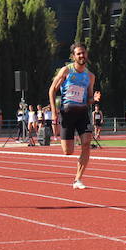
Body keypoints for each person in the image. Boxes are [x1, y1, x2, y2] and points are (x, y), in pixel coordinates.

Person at [49, 42, 100, 190]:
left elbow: (88, 99)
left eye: (83, 53)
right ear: (73, 56)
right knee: (68, 151)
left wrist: (94, 99)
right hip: (67, 113)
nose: (81, 55)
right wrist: (54, 112)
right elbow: (52, 90)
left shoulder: (90, 76)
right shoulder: (66, 71)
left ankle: (78, 179)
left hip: (82, 113)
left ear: (86, 54)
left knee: (86, 144)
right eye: (78, 54)